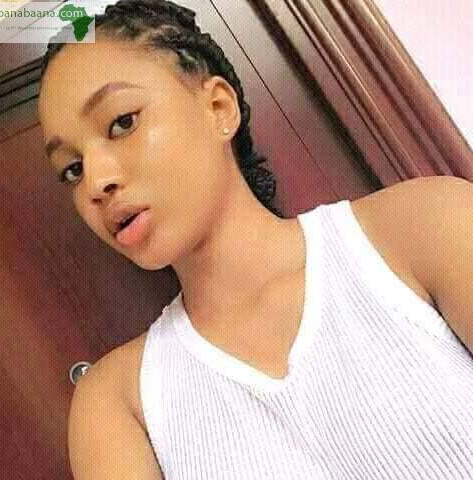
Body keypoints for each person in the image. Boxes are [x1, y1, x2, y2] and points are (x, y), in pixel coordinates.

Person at [37, 1, 473, 479]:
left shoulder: (428, 225)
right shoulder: (117, 404)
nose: (96, 181)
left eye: (122, 122)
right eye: (72, 169)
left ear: (217, 108)